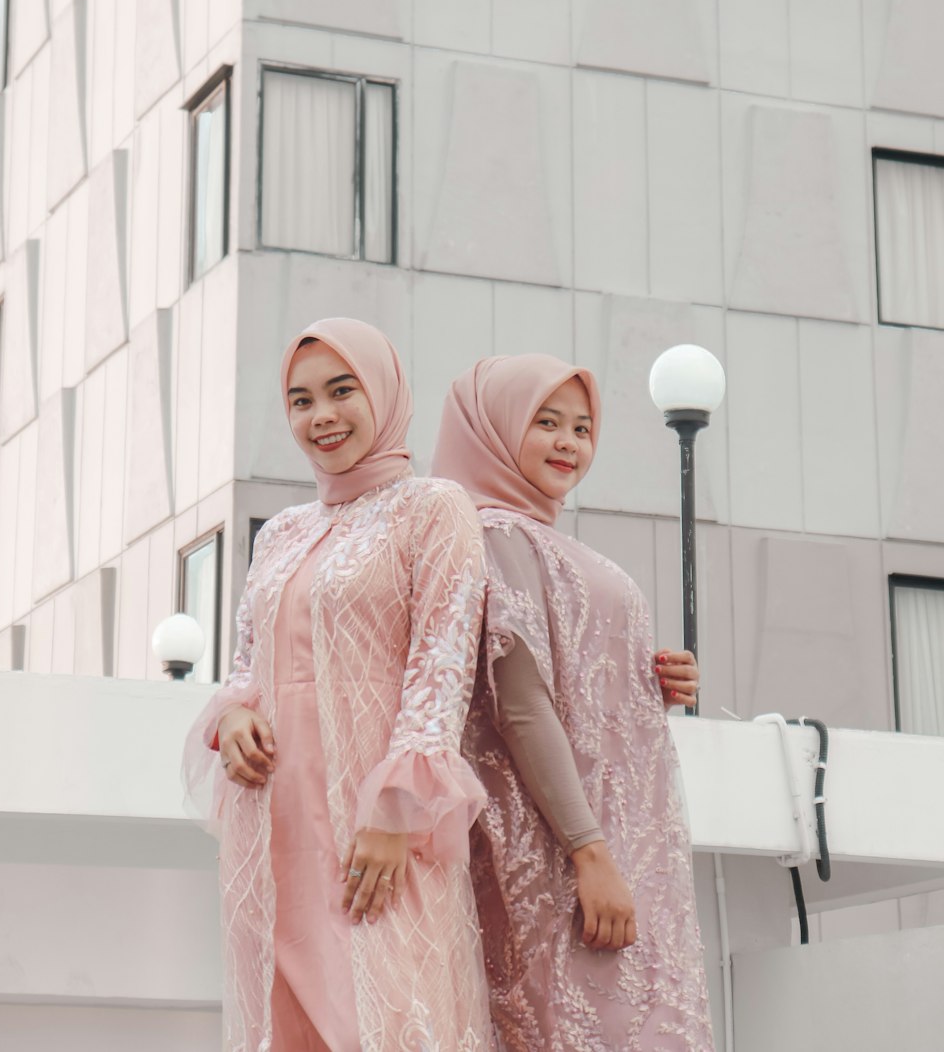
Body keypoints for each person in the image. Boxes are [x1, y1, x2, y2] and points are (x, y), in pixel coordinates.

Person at [184, 318, 494, 1052]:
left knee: (384, 1014)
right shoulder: (280, 532)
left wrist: (396, 812)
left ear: (383, 391)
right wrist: (231, 720)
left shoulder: (434, 509)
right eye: (300, 400)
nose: (320, 417)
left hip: (376, 827)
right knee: (286, 1018)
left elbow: (440, 669)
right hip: (275, 819)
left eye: (340, 391)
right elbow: (246, 666)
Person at [432, 354, 715, 1052]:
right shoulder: (494, 533)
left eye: (583, 427)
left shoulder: (541, 540)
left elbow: (566, 691)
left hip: (616, 852)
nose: (569, 442)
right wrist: (590, 856)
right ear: (490, 429)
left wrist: (648, 685)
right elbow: (519, 709)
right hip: (569, 863)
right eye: (546, 422)